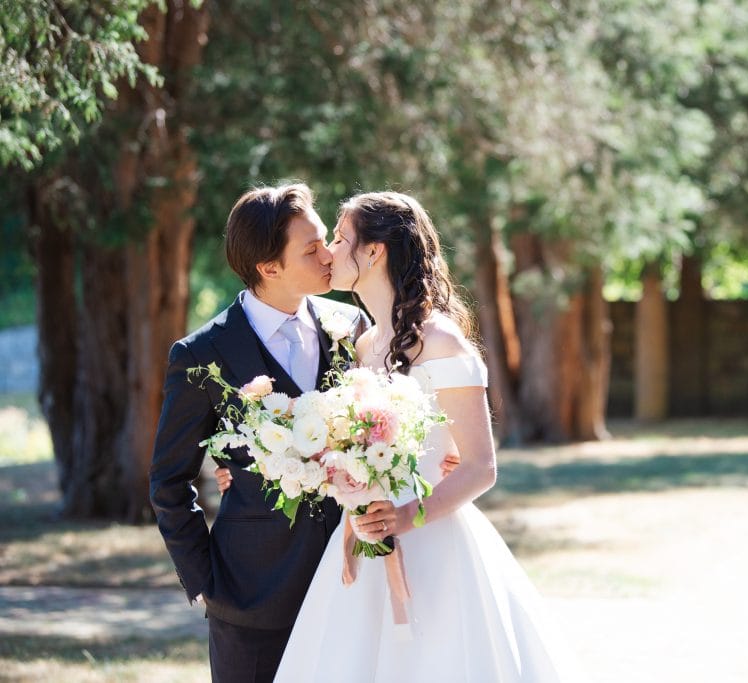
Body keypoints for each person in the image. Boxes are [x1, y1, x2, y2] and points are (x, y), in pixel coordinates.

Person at [272, 191, 581, 681]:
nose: (329, 251)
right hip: (367, 533)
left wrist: (404, 517)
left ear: (374, 252)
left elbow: (481, 465)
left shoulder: (441, 342)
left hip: (434, 540)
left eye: (339, 237)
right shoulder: (364, 343)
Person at [149, 183, 369, 682]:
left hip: (351, 583)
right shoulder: (201, 353)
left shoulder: (352, 327)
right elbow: (168, 481)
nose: (328, 254)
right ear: (269, 268)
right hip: (250, 597)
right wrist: (206, 582)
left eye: (324, 240)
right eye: (310, 249)